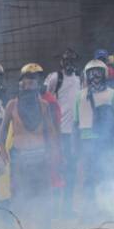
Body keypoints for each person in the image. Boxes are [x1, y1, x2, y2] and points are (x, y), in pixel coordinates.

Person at [0, 63, 59, 229]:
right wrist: (3, 149)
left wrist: (53, 151)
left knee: (44, 197)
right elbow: (2, 129)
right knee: (20, 198)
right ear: (21, 84)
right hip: (20, 159)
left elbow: (51, 131)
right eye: (28, 81)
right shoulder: (12, 105)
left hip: (40, 158)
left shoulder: (44, 105)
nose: (31, 84)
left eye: (34, 81)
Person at [73, 60, 114, 213]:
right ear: (87, 76)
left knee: (105, 175)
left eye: (98, 73)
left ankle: (106, 209)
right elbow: (76, 123)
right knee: (88, 178)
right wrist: (75, 145)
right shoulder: (80, 96)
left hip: (105, 140)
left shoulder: (112, 94)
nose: (95, 77)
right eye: (92, 73)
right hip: (86, 141)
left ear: (105, 74)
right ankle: (90, 209)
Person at [45, 48, 81, 216]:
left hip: (74, 133)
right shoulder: (54, 78)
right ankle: (51, 208)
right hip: (59, 133)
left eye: (72, 61)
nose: (69, 64)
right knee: (55, 170)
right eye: (66, 61)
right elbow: (44, 97)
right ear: (61, 62)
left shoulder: (80, 78)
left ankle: (66, 209)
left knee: (71, 171)